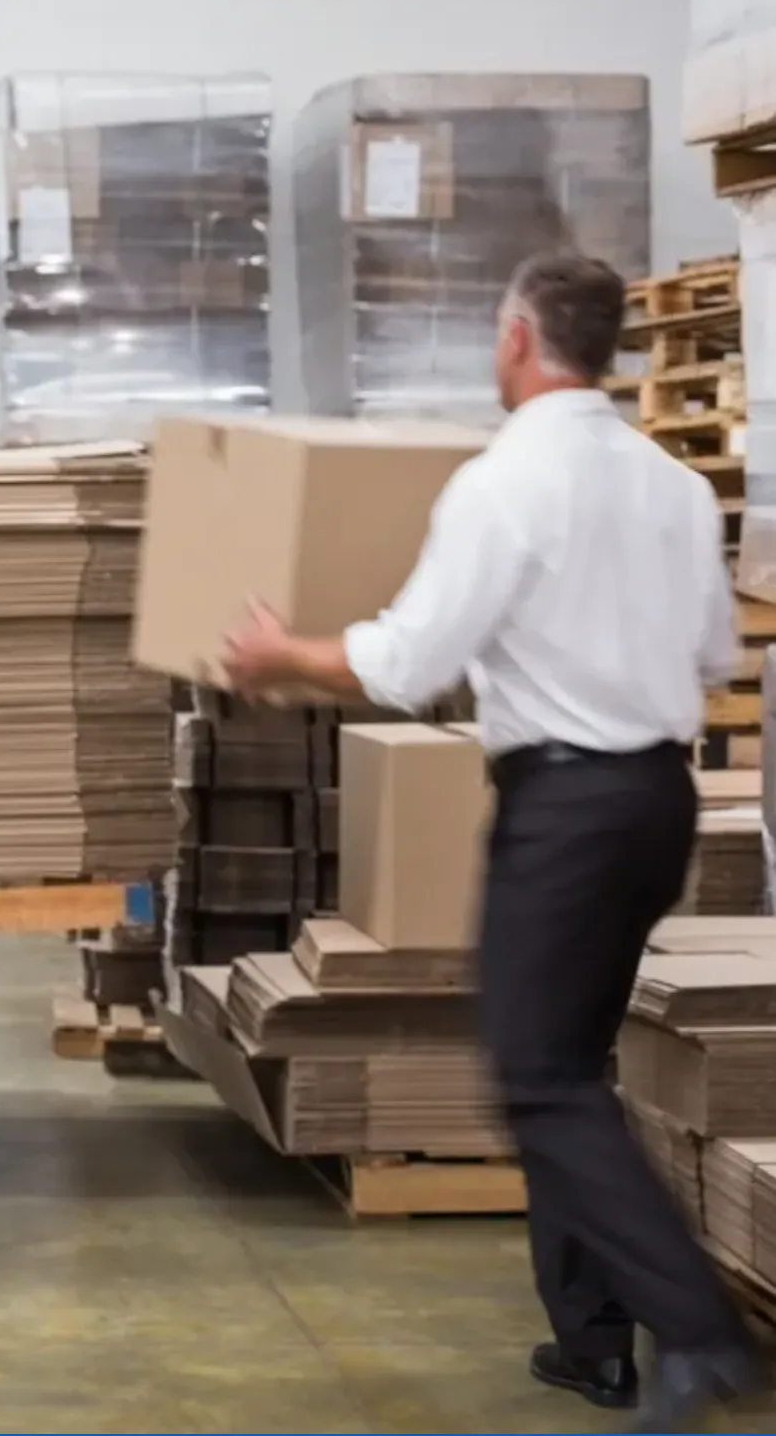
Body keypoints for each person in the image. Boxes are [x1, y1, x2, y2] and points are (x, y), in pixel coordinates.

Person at [219, 251, 766, 1432]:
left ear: (516, 337)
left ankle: (697, 1327)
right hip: (656, 797)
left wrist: (280, 657)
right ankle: (591, 1340)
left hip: (564, 808)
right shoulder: (671, 484)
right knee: (573, 1058)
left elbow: (410, 661)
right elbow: (715, 652)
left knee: (538, 1075)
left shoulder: (502, 480)